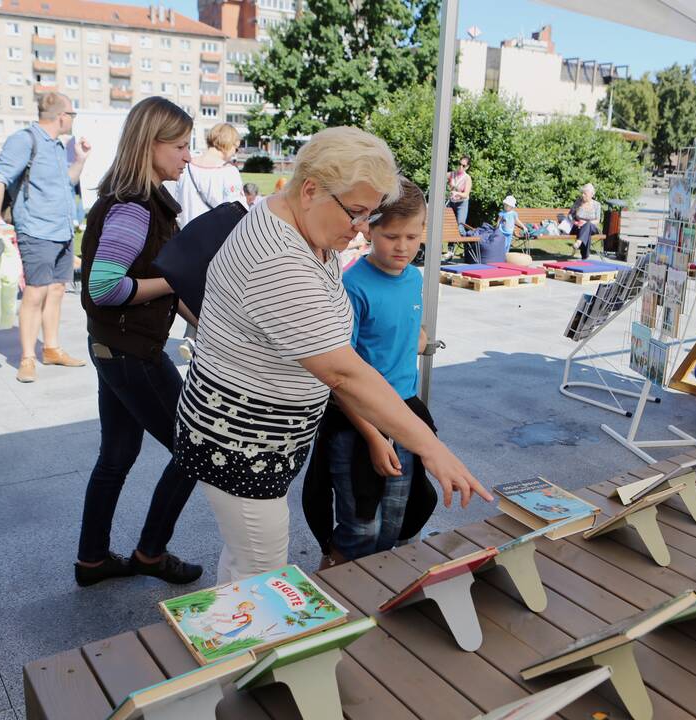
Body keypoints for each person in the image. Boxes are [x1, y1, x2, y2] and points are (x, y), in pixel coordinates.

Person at [173, 127, 491, 583]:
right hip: (240, 445)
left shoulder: (299, 224)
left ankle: (235, 642)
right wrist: (431, 447)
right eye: (357, 213)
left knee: (245, 560)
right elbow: (343, 374)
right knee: (260, 573)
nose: (363, 228)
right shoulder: (278, 260)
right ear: (310, 190)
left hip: (257, 439)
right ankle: (244, 650)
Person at [74, 97, 203, 587]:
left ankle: (92, 559)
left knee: (117, 456)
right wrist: (174, 286)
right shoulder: (133, 209)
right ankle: (151, 552)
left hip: (114, 349)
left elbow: (156, 280)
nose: (187, 157)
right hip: (133, 353)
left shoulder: (137, 201)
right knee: (196, 449)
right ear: (150, 144)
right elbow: (105, 289)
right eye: (180, 146)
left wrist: (206, 322)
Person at [318, 177, 432, 563]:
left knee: (395, 522)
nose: (403, 247)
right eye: (392, 236)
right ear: (369, 228)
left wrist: (417, 334)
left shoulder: (414, 278)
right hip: (358, 422)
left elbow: (406, 326)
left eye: (413, 237)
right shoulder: (351, 286)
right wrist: (372, 437)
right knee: (361, 524)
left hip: (403, 412)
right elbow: (339, 376)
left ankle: (376, 591)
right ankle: (336, 581)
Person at [0, 92, 90, 383]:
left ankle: (51, 348)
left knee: (55, 291)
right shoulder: (24, 140)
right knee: (35, 293)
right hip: (37, 231)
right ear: (62, 116)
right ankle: (28, 356)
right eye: (72, 114)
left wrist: (80, 160)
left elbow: (66, 183)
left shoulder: (56, 145)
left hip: (62, 231)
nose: (73, 119)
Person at [170, 123, 247, 228]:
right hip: (212, 239)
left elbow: (175, 202)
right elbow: (237, 213)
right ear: (229, 143)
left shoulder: (185, 166)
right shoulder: (229, 172)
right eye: (236, 148)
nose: (235, 153)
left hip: (183, 236)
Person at [570, 183, 603, 260]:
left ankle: (578, 242)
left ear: (592, 194)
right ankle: (585, 257)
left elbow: (597, 220)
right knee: (586, 232)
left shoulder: (597, 205)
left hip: (592, 227)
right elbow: (570, 215)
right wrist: (575, 222)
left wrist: (585, 223)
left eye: (585, 194)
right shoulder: (578, 202)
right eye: (582, 193)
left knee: (587, 225)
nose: (583, 195)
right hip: (578, 226)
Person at [447, 156, 472, 230]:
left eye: (463, 166)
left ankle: (466, 240)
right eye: (459, 164)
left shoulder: (467, 178)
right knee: (449, 226)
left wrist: (457, 193)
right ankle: (451, 242)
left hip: (462, 204)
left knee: (460, 228)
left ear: (467, 167)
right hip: (451, 203)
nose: (460, 167)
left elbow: (466, 194)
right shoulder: (451, 174)